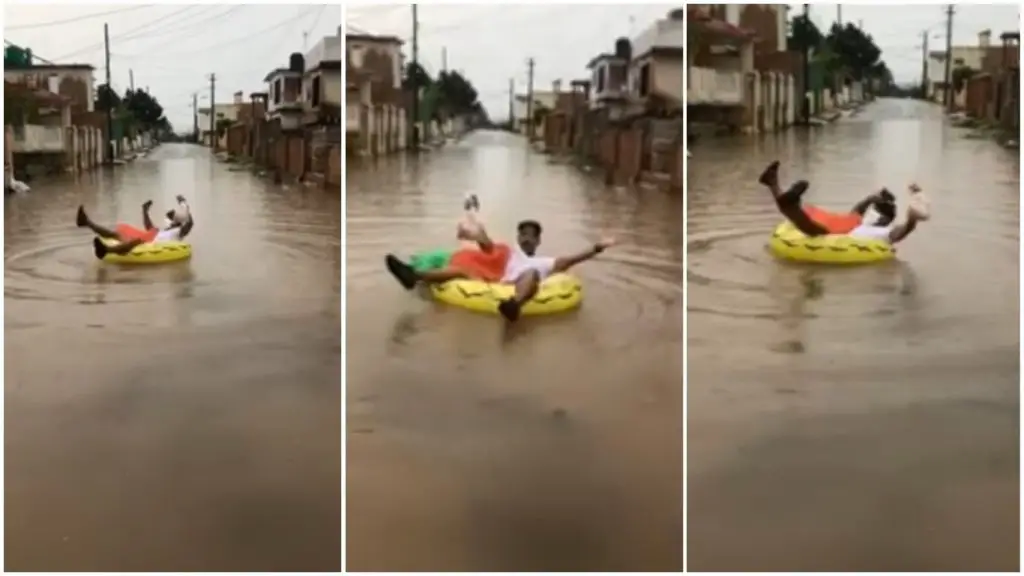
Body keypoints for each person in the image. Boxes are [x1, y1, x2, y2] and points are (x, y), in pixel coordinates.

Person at [385, 194, 615, 322]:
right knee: (467, 265)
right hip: (494, 274)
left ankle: (514, 305)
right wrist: (470, 228)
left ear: (538, 241)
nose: (526, 239)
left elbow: (572, 260)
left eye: (531, 237)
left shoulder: (543, 263)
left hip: (514, 284)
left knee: (531, 273)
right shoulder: (510, 250)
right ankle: (412, 275)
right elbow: (488, 245)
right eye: (523, 234)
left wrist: (597, 248)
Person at [758, 160, 929, 244]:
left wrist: (913, 216)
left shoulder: (885, 234)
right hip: (840, 225)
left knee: (813, 227)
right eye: (878, 212)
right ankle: (776, 186)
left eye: (882, 214)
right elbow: (857, 210)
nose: (878, 217)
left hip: (838, 236)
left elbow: (905, 229)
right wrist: (871, 198)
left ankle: (775, 186)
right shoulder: (863, 222)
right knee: (813, 218)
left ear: (888, 220)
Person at [76, 195, 194, 259]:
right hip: (148, 240)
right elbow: (149, 228)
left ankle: (106, 250)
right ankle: (86, 222)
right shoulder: (164, 230)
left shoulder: (178, 232)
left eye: (172, 217)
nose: (170, 219)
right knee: (116, 234)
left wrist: (183, 203)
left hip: (151, 245)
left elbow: (190, 223)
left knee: (135, 241)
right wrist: (145, 211)